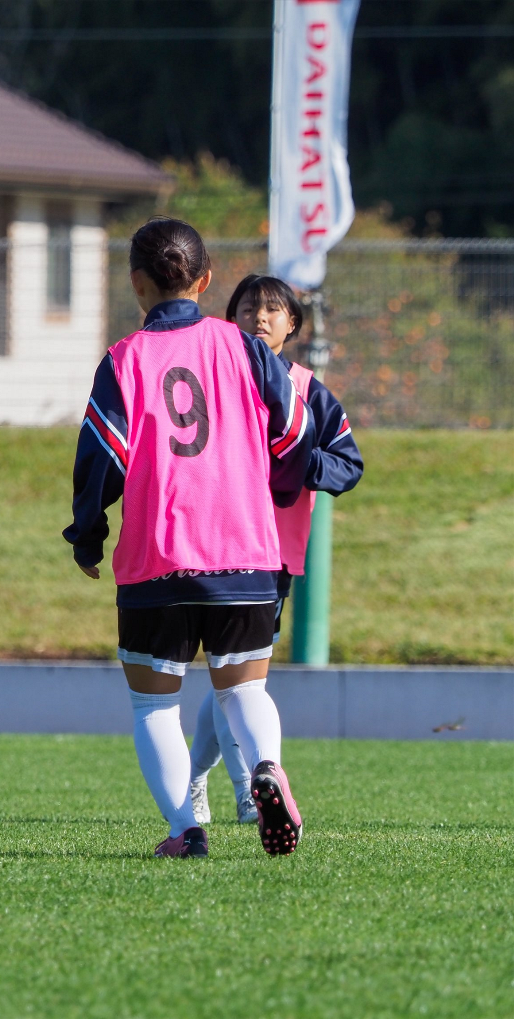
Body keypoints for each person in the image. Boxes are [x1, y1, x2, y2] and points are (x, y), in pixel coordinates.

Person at [64, 218, 315, 859]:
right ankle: (266, 768)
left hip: (159, 560)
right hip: (247, 553)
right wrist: (273, 483)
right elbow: (291, 431)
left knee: (155, 706)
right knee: (243, 690)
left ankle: (185, 831)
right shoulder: (244, 346)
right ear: (205, 281)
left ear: (136, 285)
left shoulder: (123, 361)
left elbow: (102, 460)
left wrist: (88, 536)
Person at [187, 274, 363, 826]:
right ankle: (236, 786)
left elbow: (347, 463)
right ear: (229, 317)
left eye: (272, 310)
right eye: (247, 307)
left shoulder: (309, 389)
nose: (259, 318)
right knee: (234, 678)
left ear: (292, 325)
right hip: (206, 545)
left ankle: (211, 782)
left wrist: (297, 463)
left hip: (269, 555)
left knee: (237, 680)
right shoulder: (209, 378)